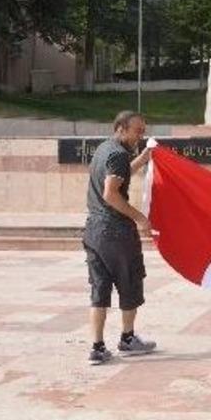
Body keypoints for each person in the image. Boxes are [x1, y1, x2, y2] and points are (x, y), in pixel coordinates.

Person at [83, 110, 158, 365]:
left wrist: (143, 158)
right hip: (115, 232)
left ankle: (97, 347)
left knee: (99, 288)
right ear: (121, 128)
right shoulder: (117, 154)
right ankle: (127, 338)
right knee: (130, 282)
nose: (141, 135)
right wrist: (140, 218)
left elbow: (122, 171)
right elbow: (110, 194)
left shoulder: (106, 149)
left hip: (93, 231)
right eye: (137, 130)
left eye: (143, 131)